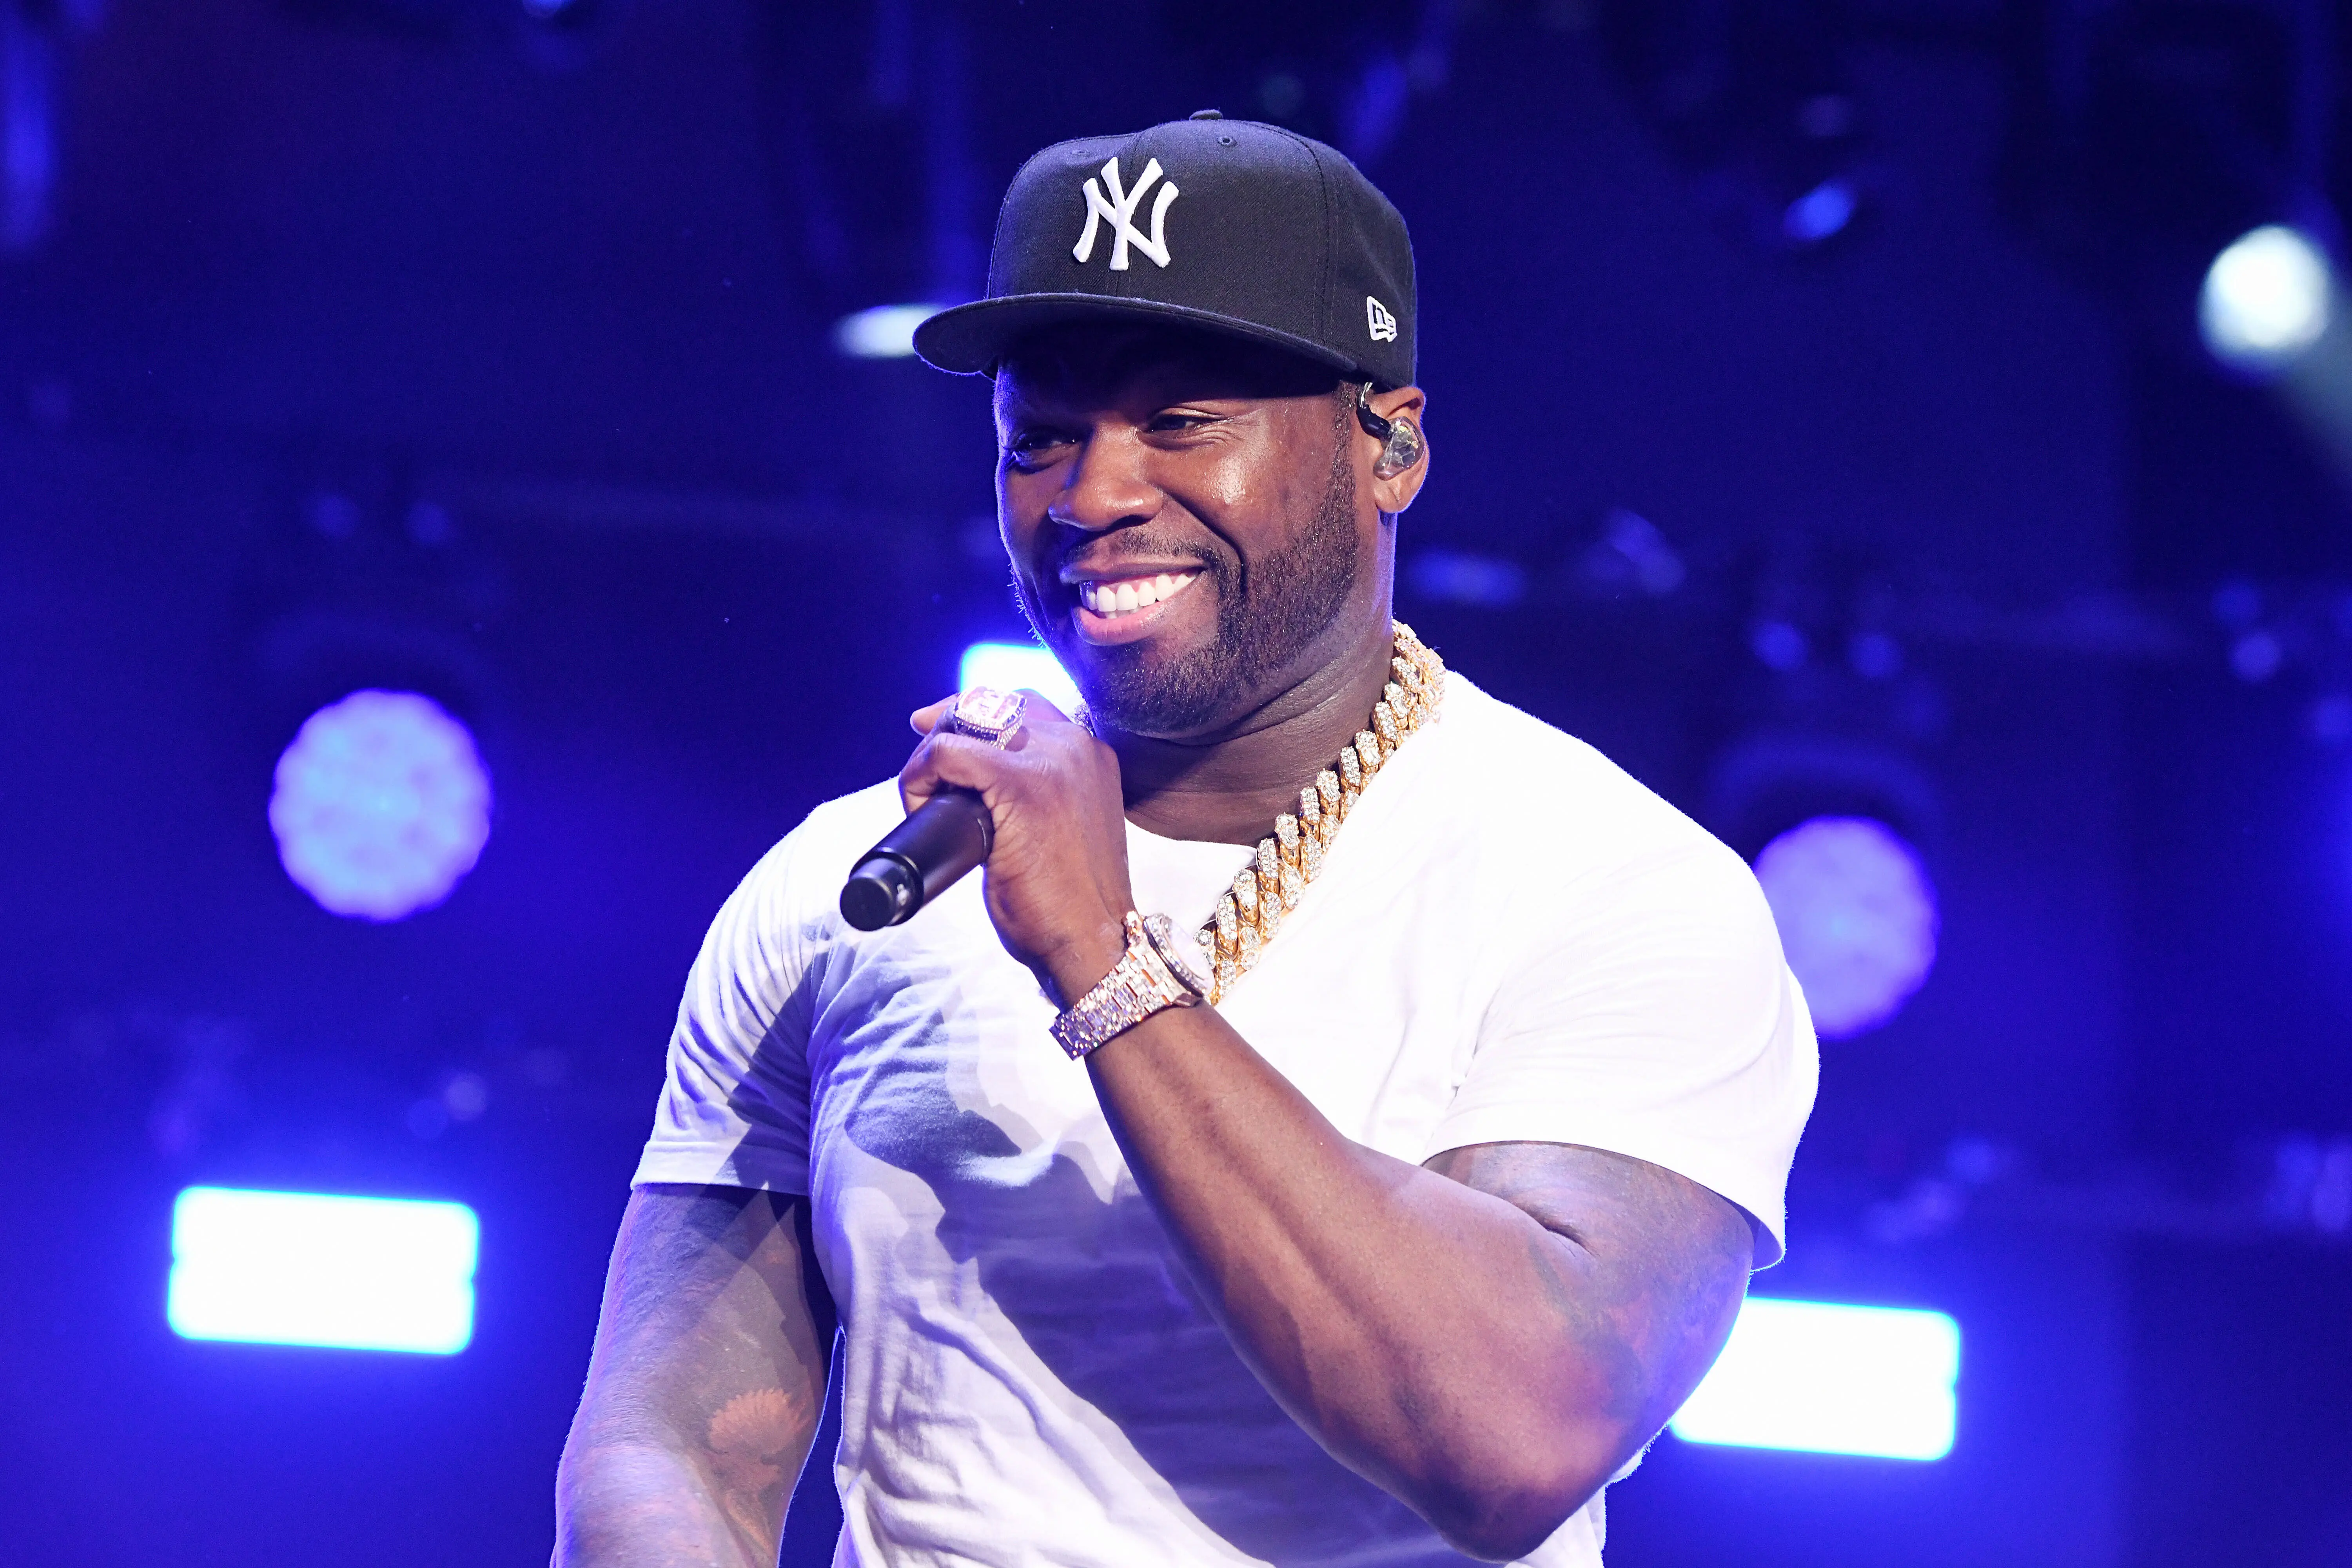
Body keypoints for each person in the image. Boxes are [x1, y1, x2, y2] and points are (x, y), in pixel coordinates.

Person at [554, 113, 1816, 1568]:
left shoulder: (1613, 889)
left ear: (1390, 443)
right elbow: (673, 1446)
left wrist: (1103, 957)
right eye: (1045, 436)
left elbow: (1512, 1437)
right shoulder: (843, 891)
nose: (1092, 498)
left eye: (1182, 422)